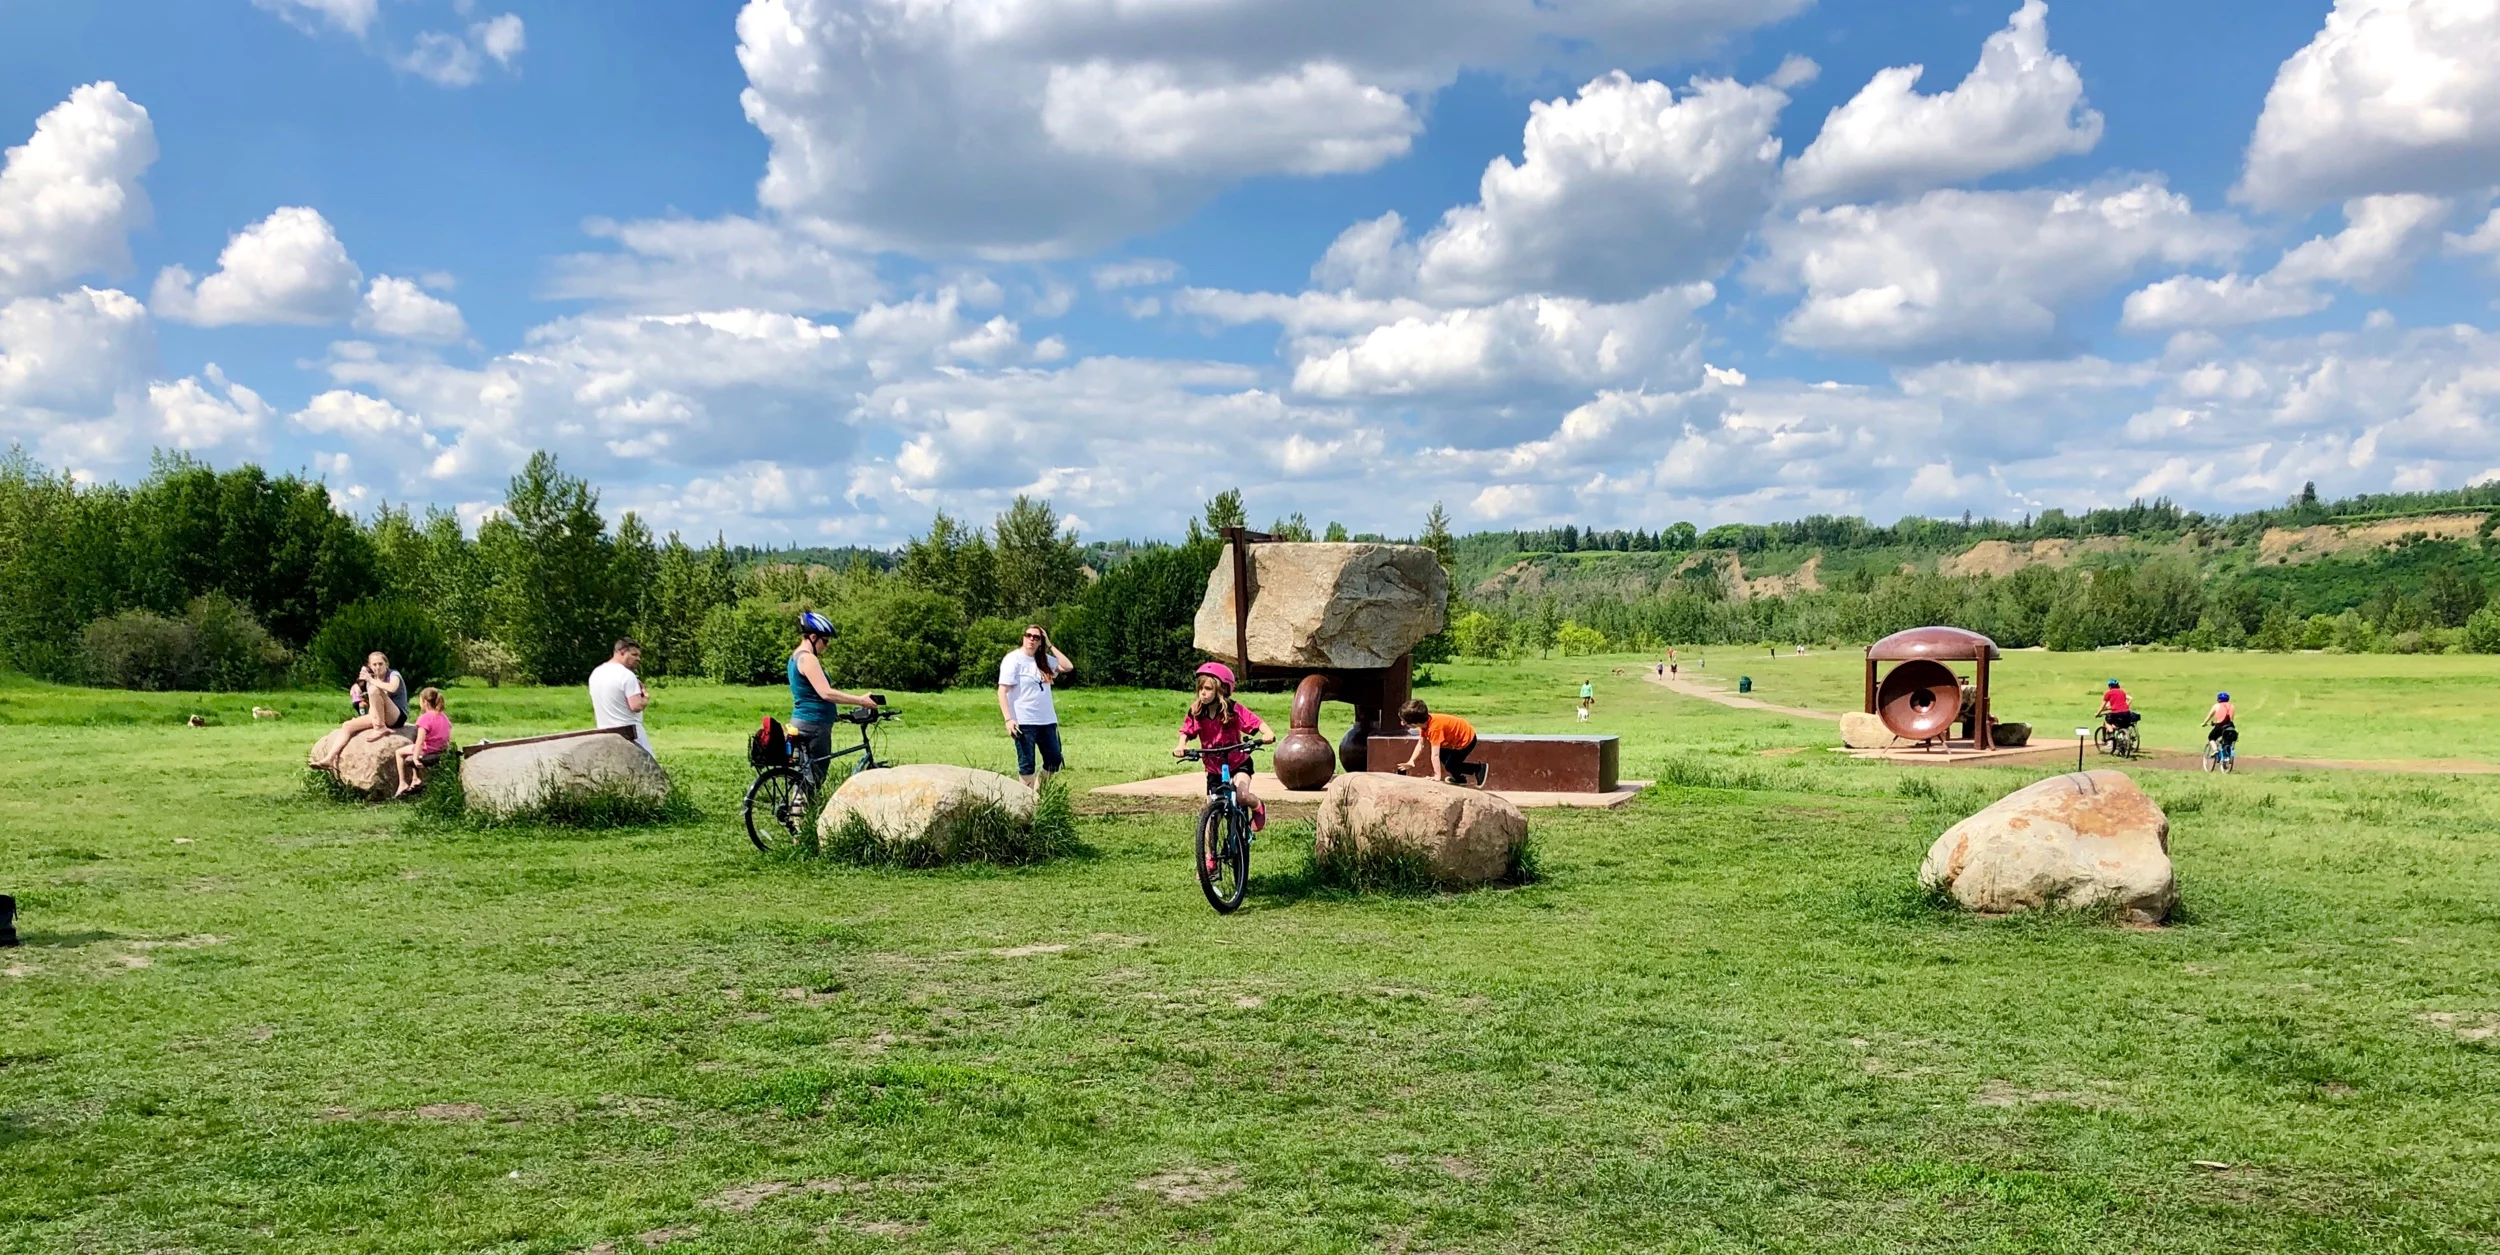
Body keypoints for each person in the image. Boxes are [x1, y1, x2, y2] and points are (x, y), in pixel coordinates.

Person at [1171, 662, 1272, 833]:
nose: (1203, 692)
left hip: (1238, 762)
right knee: (1211, 809)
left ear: (1221, 689)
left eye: (1208, 688)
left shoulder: (1232, 709)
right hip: (1213, 767)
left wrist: (1267, 733)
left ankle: (1257, 806)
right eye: (1200, 688)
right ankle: (1210, 856)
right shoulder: (1197, 710)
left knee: (1241, 796)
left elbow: (1254, 722)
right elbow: (1187, 730)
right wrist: (1181, 745)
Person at [788, 611, 882, 774]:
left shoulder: (795, 657)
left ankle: (797, 799)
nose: (826, 645)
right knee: (815, 775)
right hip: (814, 724)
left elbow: (810, 694)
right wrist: (861, 700)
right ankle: (803, 799)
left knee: (802, 774)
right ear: (813, 637)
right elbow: (826, 693)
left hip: (802, 720)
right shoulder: (808, 659)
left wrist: (834, 714)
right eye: (824, 641)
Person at [999, 624, 1075, 790]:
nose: (1031, 639)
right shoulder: (1013, 659)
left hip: (1047, 720)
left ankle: (1039, 792)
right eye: (1028, 635)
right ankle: (1027, 800)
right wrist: (1008, 719)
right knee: (1027, 763)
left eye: (1036, 637)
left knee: (1054, 759)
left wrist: (1050, 644)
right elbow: (1002, 691)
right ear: (1023, 637)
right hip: (1023, 720)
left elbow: (1068, 666)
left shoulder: (1044, 660)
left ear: (1041, 641)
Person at [312, 651, 405, 770]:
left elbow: (392, 688)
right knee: (347, 726)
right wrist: (357, 686)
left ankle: (380, 727)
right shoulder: (370, 678)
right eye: (374, 664)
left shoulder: (393, 675)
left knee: (374, 690)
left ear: (386, 664)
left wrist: (370, 681)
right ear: (370, 666)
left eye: (380, 664)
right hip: (377, 715)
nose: (377, 667)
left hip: (396, 716)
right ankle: (329, 758)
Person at [1396, 699, 1488, 789]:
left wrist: (1437, 776)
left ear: (1415, 723)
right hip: (1452, 740)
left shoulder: (1434, 729)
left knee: (1450, 765)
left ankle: (1478, 769)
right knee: (1446, 759)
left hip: (1466, 739)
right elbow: (1421, 744)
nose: (1402, 723)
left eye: (1404, 722)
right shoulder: (1424, 725)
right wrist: (1411, 761)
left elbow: (1434, 754)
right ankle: (1460, 779)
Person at [589, 638, 652, 756]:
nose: (638, 659)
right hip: (630, 732)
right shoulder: (627, 675)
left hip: (604, 731)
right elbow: (636, 706)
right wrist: (645, 697)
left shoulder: (596, 673)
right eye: (634, 654)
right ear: (621, 652)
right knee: (648, 768)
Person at [394, 688, 452, 798]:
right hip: (440, 748)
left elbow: (420, 741)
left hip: (428, 749)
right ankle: (415, 778)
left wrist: (415, 758)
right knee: (414, 748)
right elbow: (448, 735)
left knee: (399, 752)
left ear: (425, 702)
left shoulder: (424, 718)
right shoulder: (443, 716)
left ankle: (402, 783)